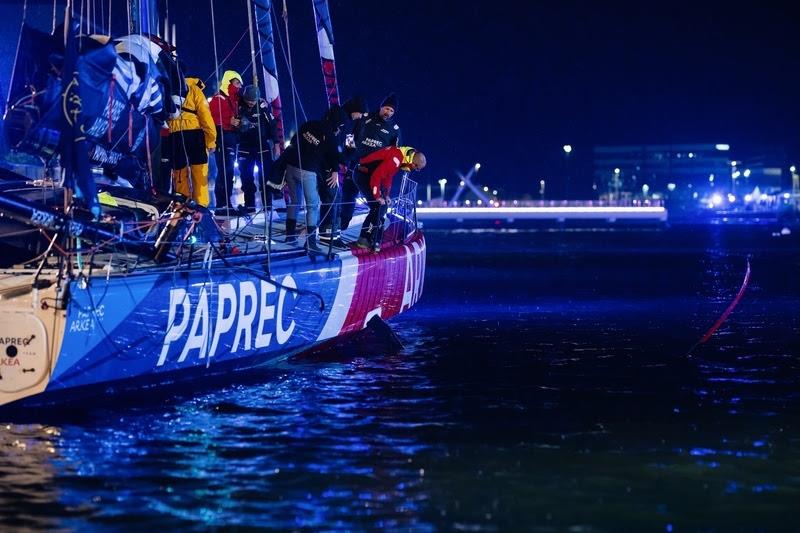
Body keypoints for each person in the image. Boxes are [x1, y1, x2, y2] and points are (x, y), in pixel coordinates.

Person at [278, 105, 346, 252]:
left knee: (294, 201)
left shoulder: (309, 124)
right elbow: (334, 156)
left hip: (291, 167)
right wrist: (334, 171)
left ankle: (290, 236)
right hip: (307, 172)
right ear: (337, 124)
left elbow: (294, 141)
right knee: (312, 206)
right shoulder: (331, 136)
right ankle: (310, 242)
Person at [340, 93, 401, 230]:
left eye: (391, 111)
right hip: (355, 166)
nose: (388, 113)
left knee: (377, 205)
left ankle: (367, 236)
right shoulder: (365, 118)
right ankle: (340, 229)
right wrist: (346, 157)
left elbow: (396, 154)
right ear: (381, 107)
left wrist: (387, 180)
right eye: (386, 108)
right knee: (348, 197)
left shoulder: (395, 130)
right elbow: (350, 135)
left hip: (373, 173)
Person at [355, 145, 426, 252]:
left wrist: (386, 194)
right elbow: (376, 176)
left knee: (382, 206)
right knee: (377, 206)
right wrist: (378, 197)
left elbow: (388, 176)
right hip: (363, 175)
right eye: (416, 168)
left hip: (368, 175)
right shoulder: (396, 159)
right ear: (413, 163)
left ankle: (373, 238)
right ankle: (364, 239)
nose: (414, 170)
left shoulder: (400, 156)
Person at [165, 69, 216, 207]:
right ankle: (201, 208)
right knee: (199, 172)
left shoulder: (168, 89)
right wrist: (211, 140)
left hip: (174, 135)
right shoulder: (195, 90)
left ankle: (182, 207)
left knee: (179, 173)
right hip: (195, 134)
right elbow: (205, 116)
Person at [237, 84, 279, 210]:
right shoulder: (238, 105)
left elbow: (272, 125)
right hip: (245, 147)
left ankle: (268, 206)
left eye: (253, 101)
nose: (251, 103)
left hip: (262, 147)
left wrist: (276, 144)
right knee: (246, 177)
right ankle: (250, 206)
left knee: (265, 176)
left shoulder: (262, 106)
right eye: (248, 101)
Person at [208, 70, 242, 210]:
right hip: (222, 137)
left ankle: (226, 202)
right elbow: (212, 118)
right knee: (224, 170)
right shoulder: (218, 99)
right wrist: (230, 121)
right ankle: (222, 203)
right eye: (237, 83)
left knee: (229, 171)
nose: (239, 86)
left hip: (231, 138)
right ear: (228, 82)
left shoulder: (234, 100)